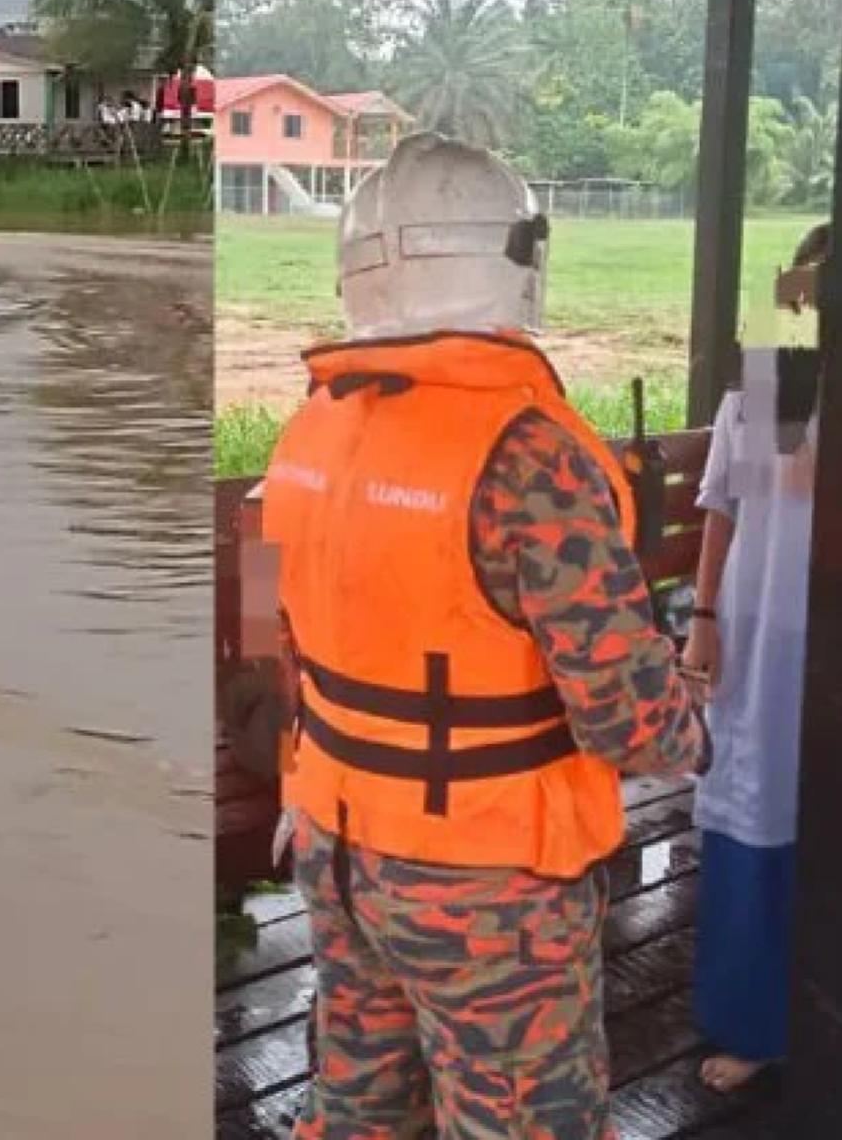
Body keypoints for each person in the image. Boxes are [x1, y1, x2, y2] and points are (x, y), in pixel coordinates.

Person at [262, 133, 708, 1138]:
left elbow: (286, 635)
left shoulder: (312, 429)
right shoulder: (530, 454)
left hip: (335, 848)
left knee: (360, 1106)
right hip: (486, 875)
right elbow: (631, 721)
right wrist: (697, 732)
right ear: (516, 259)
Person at [685, 222, 831, 1092]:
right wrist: (703, 616)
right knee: (747, 815)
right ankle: (754, 1020)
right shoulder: (755, 396)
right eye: (802, 292)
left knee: (833, 821)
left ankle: (830, 1009)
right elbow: (720, 508)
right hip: (755, 626)